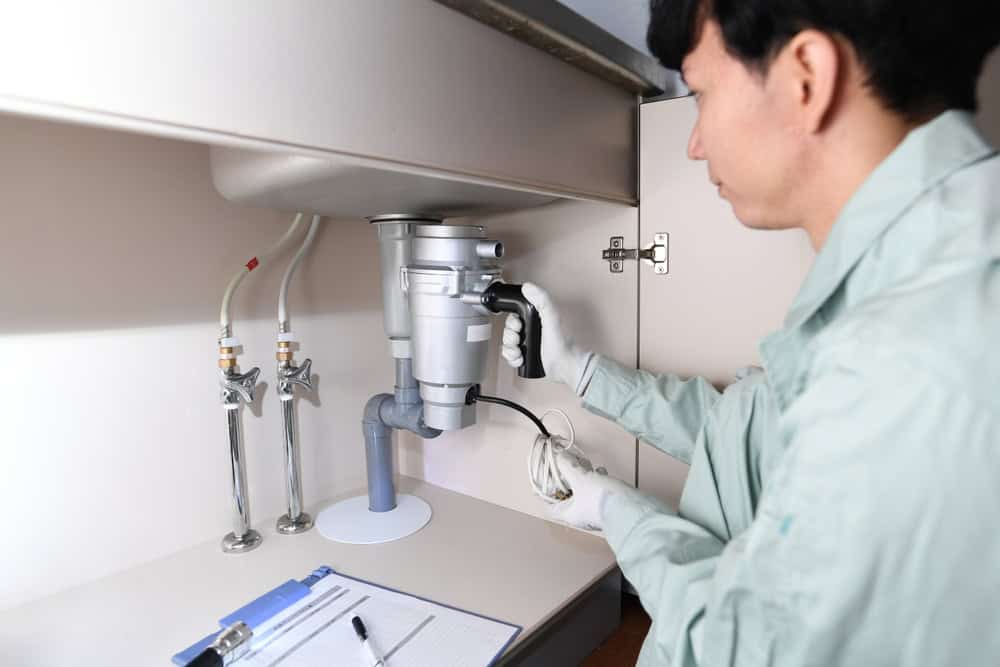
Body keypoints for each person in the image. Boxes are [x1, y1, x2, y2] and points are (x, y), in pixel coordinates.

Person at [500, 1, 1000, 665]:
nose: (694, 142)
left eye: (701, 93)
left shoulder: (911, 347)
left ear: (805, 77)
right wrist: (579, 369)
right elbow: (749, 433)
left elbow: (740, 650)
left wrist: (620, 512)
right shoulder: (924, 267)